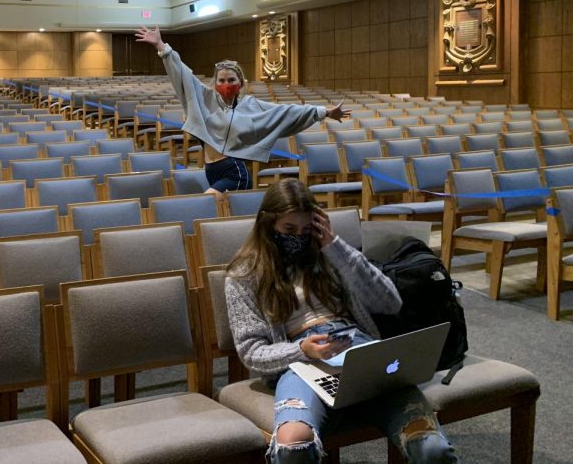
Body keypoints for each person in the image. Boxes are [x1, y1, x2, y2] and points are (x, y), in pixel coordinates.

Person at [225, 180, 457, 463]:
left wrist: (335, 247)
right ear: (267, 224)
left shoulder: (331, 255)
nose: (298, 237)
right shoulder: (245, 273)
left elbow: (389, 301)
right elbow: (251, 351)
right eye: (289, 230)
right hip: (301, 360)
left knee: (433, 449)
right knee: (292, 446)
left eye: (306, 229)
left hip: (358, 348)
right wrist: (302, 351)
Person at [135, 26, 349, 198]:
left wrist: (325, 112)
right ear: (214, 82)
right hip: (211, 170)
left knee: (206, 207)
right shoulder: (204, 98)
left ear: (240, 83)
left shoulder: (252, 105)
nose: (226, 84)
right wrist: (162, 48)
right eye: (221, 80)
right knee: (223, 223)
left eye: (231, 80)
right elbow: (182, 74)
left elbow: (287, 112)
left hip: (234, 172)